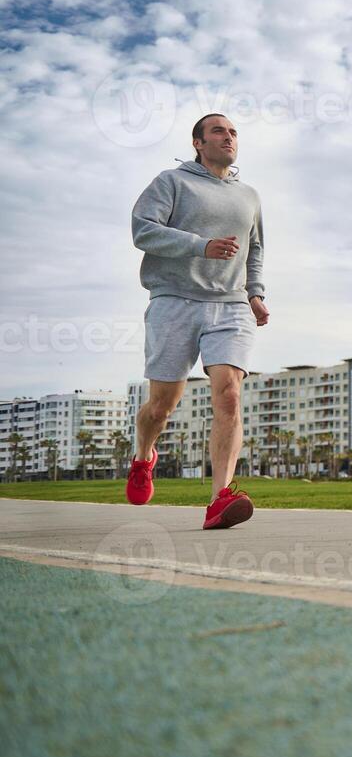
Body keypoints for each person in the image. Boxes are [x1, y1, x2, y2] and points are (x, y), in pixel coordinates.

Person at [125, 113, 269, 529]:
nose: (229, 137)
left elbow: (254, 249)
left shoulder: (249, 196)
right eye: (219, 131)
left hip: (230, 304)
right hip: (174, 300)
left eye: (233, 132)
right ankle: (143, 457)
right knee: (162, 405)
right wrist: (200, 246)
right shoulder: (172, 182)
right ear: (198, 143)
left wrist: (255, 292)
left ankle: (220, 498)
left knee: (228, 393)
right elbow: (142, 230)